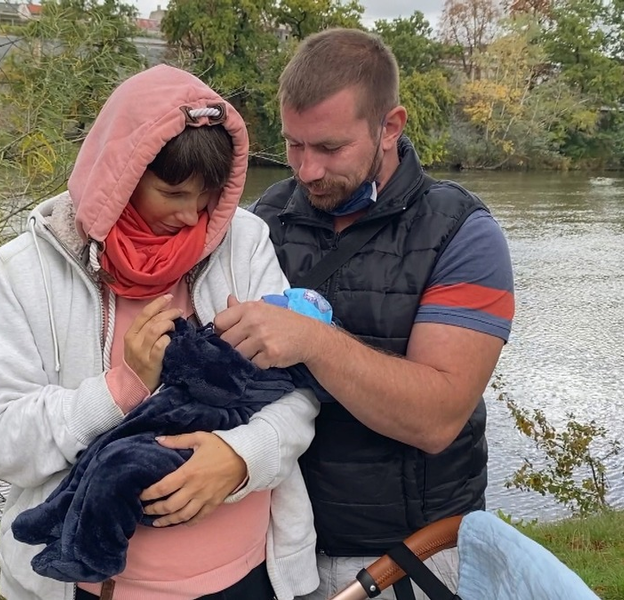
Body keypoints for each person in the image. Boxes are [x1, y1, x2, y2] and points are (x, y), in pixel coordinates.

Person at [0, 64, 320, 600]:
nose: (191, 216)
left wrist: (243, 456)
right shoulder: (22, 272)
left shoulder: (244, 241)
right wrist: (121, 388)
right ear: (121, 175)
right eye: (172, 192)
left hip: (249, 577)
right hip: (91, 587)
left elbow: (296, 388)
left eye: (206, 195)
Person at [213, 29, 515, 600]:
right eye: (293, 145)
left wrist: (315, 341)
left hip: (408, 558)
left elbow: (437, 419)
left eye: (329, 148)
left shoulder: (464, 235)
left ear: (390, 126)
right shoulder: (262, 219)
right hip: (274, 546)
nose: (306, 169)